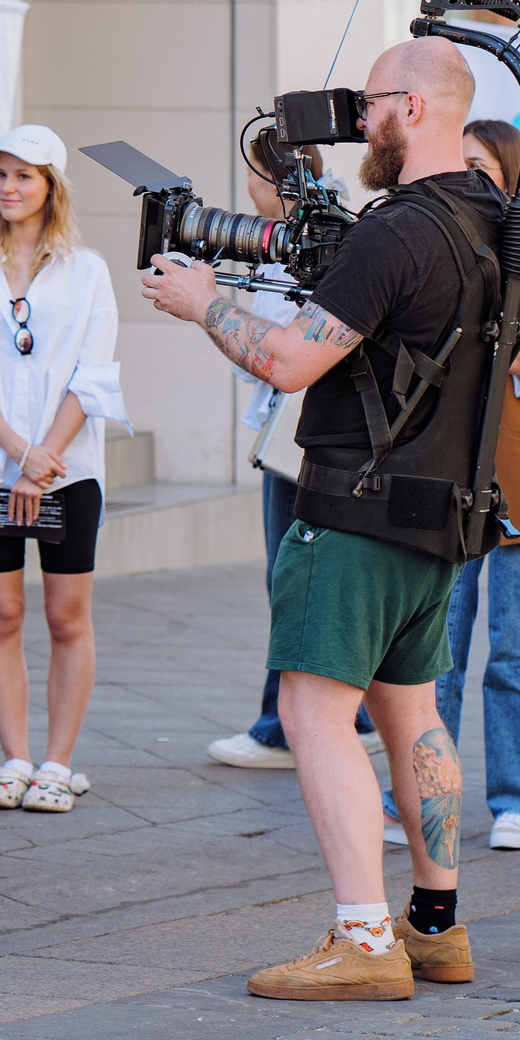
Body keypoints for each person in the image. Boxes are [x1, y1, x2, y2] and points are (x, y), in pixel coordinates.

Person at [142, 38, 495, 1001]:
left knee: (311, 713)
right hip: (441, 514)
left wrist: (203, 303)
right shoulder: (496, 221)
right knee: (412, 715)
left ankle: (363, 937)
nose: (355, 118)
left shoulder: (398, 232)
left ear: (415, 108)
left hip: (358, 507)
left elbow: (291, 360)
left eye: (371, 101)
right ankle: (435, 926)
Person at [0, 126, 128, 813]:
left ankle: (57, 762)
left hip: (69, 473)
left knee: (67, 617)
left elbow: (93, 377)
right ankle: (14, 759)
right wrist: (19, 454)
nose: (9, 188)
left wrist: (42, 462)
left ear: (51, 188)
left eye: (24, 177)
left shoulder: (87, 270)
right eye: (1, 175)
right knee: (1, 613)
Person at [407, 117, 520, 854]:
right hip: (452, 476)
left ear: (513, 173)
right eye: (462, 165)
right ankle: (425, 796)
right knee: (433, 650)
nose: (471, 176)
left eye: (481, 165)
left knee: (516, 646)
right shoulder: (446, 251)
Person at [207, 132, 378, 771]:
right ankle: (334, 717)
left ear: (272, 180)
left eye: (251, 173)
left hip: (303, 434)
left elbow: (279, 354)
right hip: (292, 430)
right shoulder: (312, 233)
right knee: (298, 578)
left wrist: (211, 310)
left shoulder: (317, 240)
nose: (245, 188)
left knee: (293, 577)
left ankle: (284, 726)